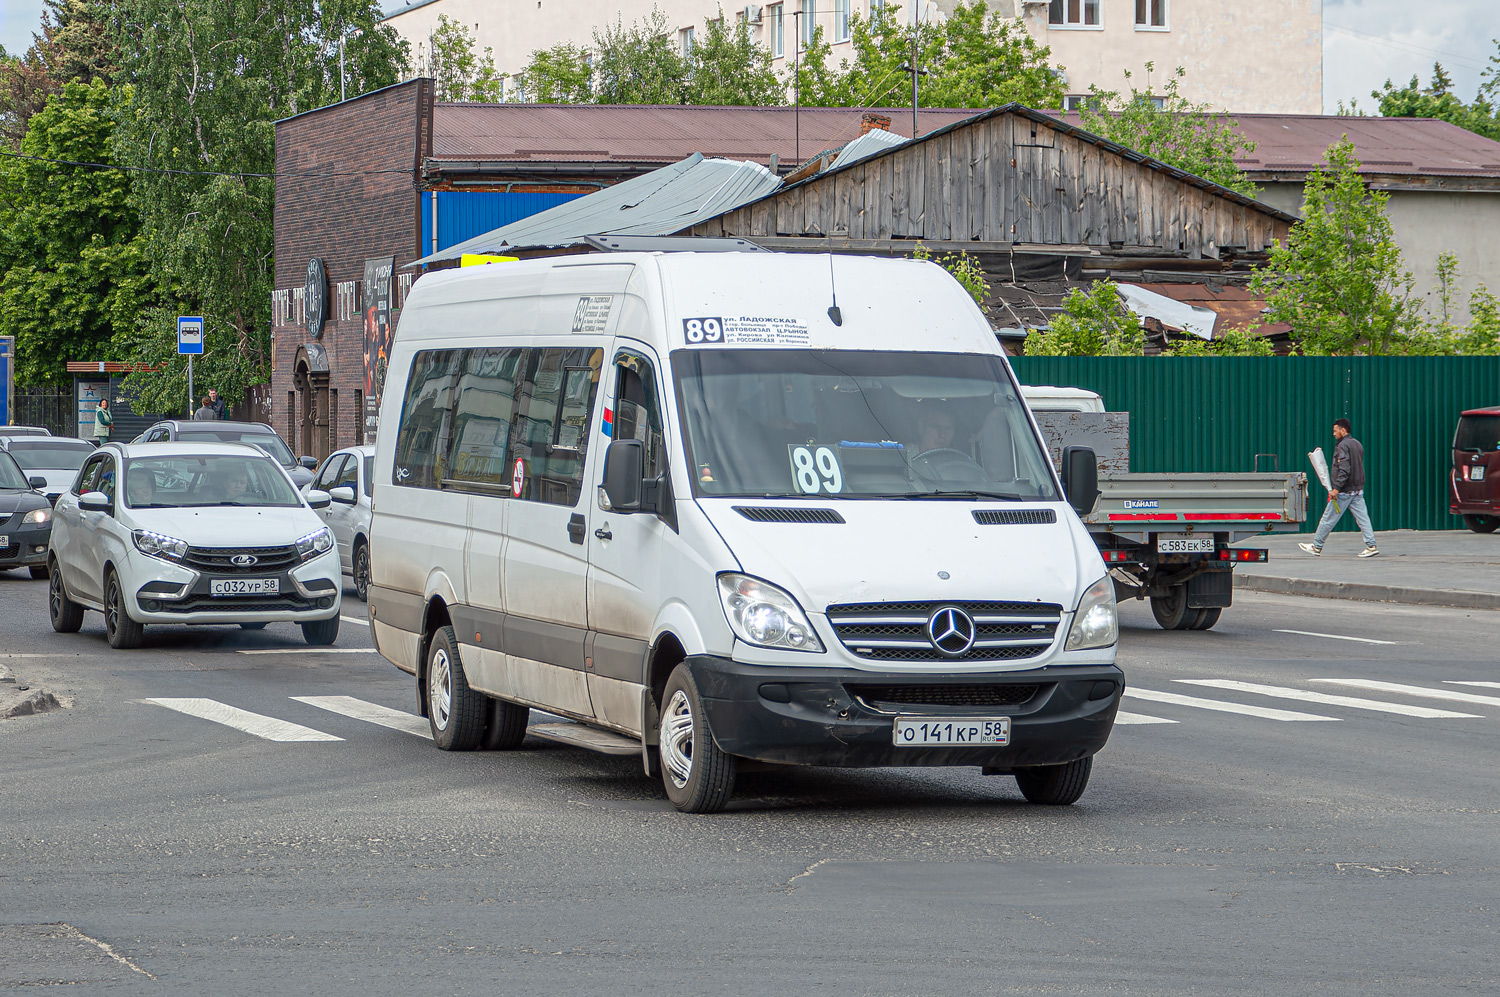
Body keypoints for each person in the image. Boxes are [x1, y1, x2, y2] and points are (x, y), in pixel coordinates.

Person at [1300, 418, 1378, 557]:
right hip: (1357, 490)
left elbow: (1344, 469)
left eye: (1335, 431)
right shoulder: (1357, 444)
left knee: (1327, 518)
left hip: (1344, 491)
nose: (1333, 434)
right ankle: (1371, 545)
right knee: (1363, 519)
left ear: (1343, 430)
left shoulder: (1342, 446)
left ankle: (1316, 546)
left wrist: (1336, 488)